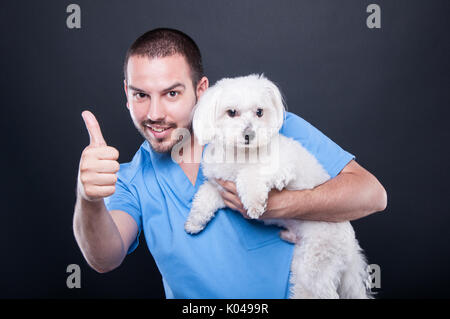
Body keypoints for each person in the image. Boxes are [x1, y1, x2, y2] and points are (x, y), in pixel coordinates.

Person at [73, 28, 387, 298]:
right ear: (127, 94)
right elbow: (104, 258)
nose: (155, 113)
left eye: (171, 93)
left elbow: (372, 195)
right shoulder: (131, 179)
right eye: (141, 95)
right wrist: (88, 198)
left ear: (201, 90)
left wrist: (283, 204)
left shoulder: (267, 126)